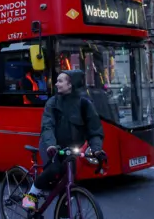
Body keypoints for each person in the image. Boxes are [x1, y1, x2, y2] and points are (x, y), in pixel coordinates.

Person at [22, 69, 107, 211]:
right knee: (53, 169)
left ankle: (62, 214)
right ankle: (30, 197)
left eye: (60, 81)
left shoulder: (85, 105)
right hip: (50, 145)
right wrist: (50, 145)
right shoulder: (53, 102)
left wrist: (97, 149)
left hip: (70, 148)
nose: (56, 84)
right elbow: (47, 126)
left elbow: (95, 130)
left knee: (67, 179)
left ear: (70, 85)